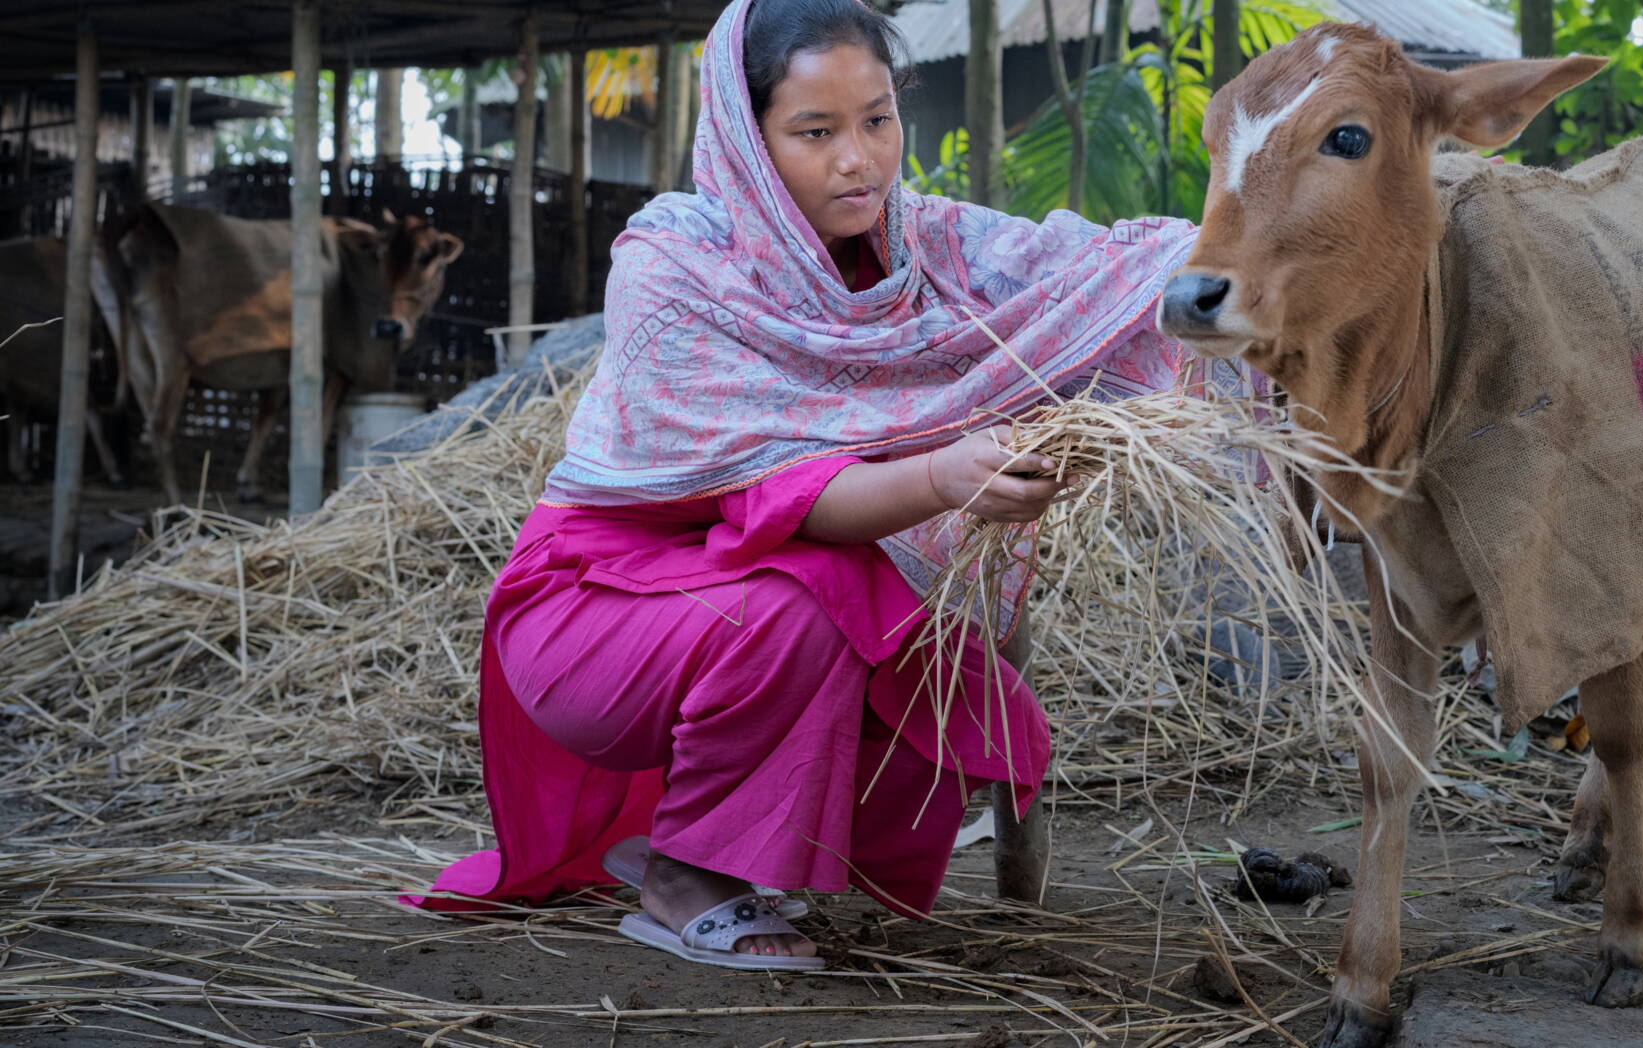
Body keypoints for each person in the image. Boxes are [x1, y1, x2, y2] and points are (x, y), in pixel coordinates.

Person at [408, 0, 1214, 970]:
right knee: (807, 603)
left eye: (877, 119)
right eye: (815, 132)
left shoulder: (931, 253)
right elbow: (782, 495)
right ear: (747, 140)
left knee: (925, 651)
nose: (858, 161)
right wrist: (944, 475)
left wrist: (1242, 257)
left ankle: (730, 840)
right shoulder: (675, 269)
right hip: (590, 626)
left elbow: (1088, 269)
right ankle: (681, 880)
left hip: (756, 597)